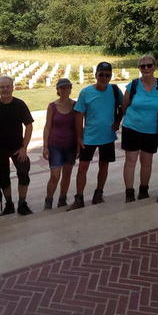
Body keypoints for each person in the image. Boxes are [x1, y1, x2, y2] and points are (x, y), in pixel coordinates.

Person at [68, 62, 123, 211]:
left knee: (104, 166)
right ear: (96, 75)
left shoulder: (114, 90)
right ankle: (79, 198)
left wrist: (117, 122)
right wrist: (79, 137)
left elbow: (123, 107)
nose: (104, 78)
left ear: (110, 76)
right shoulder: (86, 92)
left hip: (108, 136)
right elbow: (79, 115)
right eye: (101, 74)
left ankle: (98, 194)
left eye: (107, 75)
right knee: (82, 168)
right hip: (89, 137)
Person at [0, 76, 34, 216]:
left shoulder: (20, 105)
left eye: (7, 86)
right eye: (2, 87)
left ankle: (22, 203)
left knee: (23, 173)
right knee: (3, 177)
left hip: (18, 147)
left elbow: (29, 126)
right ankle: (9, 204)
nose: (5, 89)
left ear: (12, 88)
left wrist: (24, 147)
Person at [121, 54, 158, 203]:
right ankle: (129, 192)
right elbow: (125, 106)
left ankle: (143, 190)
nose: (146, 68)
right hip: (131, 128)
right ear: (139, 68)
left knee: (147, 162)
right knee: (131, 161)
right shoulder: (133, 85)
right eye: (142, 66)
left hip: (151, 130)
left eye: (149, 65)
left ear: (155, 67)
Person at [42, 78, 76, 209]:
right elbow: (47, 127)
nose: (64, 90)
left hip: (70, 145)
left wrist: (79, 144)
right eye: (62, 88)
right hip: (55, 145)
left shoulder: (75, 105)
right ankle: (49, 199)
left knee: (67, 174)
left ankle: (62, 198)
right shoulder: (52, 106)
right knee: (55, 175)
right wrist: (45, 146)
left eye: (67, 87)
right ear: (58, 90)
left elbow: (79, 126)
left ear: (70, 89)